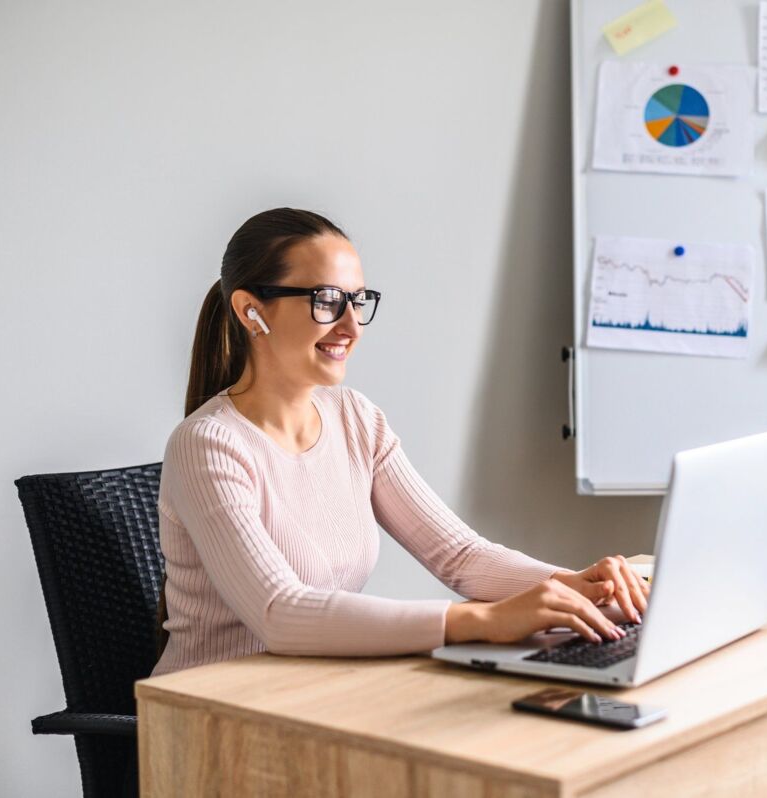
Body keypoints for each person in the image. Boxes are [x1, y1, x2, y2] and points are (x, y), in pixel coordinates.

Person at [151, 208, 649, 676]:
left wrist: (576, 586)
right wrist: (478, 622)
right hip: (210, 717)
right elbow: (279, 612)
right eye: (326, 300)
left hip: (315, 690)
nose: (350, 327)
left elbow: (460, 555)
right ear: (250, 311)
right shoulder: (208, 446)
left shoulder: (356, 418)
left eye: (357, 300)